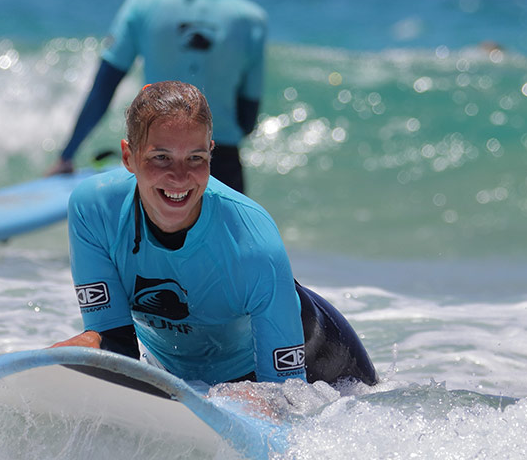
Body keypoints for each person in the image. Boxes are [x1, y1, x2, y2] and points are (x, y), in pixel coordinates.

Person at [51, 81, 377, 387]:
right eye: (160, 157)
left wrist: (262, 399)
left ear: (211, 154)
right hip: (192, 379)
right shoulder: (94, 211)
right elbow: (117, 343)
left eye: (195, 158)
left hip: (320, 361)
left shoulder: (251, 238)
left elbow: (285, 391)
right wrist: (75, 353)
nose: (179, 177)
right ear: (128, 157)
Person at [48, 0, 265, 194]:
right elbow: (247, 120)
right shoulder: (250, 20)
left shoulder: (143, 1)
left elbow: (103, 88)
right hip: (219, 168)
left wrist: (67, 155)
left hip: (153, 161)